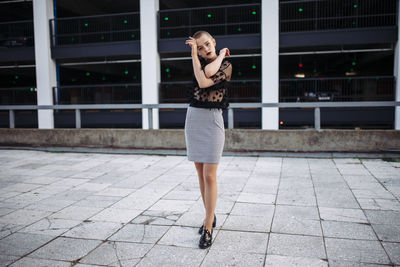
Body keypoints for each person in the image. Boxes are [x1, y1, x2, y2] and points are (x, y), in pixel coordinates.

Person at [184, 30, 232, 249]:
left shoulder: (226, 65)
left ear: (213, 41)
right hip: (194, 118)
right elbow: (202, 80)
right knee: (200, 173)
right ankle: (209, 216)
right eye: (200, 47)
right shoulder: (198, 62)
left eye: (206, 44)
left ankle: (208, 226)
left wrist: (221, 55)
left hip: (213, 120)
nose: (204, 48)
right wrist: (194, 56)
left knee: (210, 175)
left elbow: (206, 80)